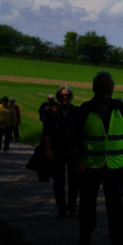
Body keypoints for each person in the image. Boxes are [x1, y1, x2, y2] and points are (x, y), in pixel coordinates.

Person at [70, 72, 123, 245]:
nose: (105, 89)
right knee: (87, 205)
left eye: (108, 85)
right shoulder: (84, 110)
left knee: (116, 206)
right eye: (101, 86)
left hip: (115, 167)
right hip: (90, 166)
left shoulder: (120, 108)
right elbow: (72, 138)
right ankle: (85, 239)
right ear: (94, 88)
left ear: (113, 88)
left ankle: (118, 242)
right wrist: (76, 161)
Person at [43, 85, 77, 218]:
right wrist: (47, 150)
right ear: (58, 97)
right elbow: (46, 133)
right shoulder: (52, 112)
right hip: (56, 151)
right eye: (62, 95)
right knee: (59, 182)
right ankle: (61, 208)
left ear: (71, 97)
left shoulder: (76, 111)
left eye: (67, 95)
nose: (65, 97)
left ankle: (73, 207)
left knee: (74, 182)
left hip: (73, 152)